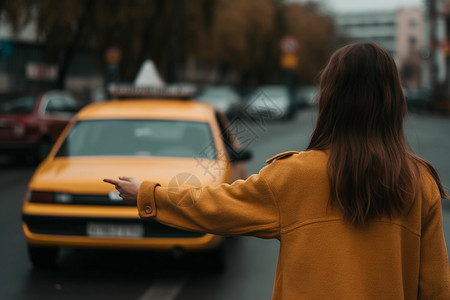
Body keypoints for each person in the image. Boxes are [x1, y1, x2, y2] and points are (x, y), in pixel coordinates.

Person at [103, 42, 450, 299]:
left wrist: (150, 194)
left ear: (329, 99)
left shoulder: (295, 176)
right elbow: (435, 288)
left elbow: (216, 206)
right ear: (393, 101)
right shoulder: (421, 183)